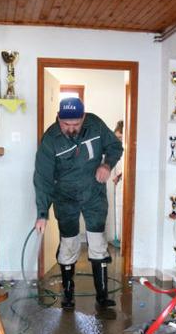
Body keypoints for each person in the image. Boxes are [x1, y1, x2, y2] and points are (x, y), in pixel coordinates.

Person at [34, 98, 123, 309]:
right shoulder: (50, 140)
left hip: (93, 194)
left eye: (76, 124)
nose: (72, 129)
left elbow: (115, 146)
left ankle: (102, 298)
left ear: (83, 117)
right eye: (66, 124)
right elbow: (43, 178)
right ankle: (68, 295)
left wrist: (107, 165)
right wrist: (42, 213)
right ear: (58, 118)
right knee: (68, 244)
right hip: (65, 197)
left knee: (98, 243)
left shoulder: (95, 125)